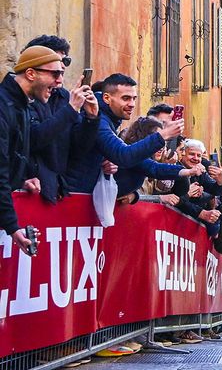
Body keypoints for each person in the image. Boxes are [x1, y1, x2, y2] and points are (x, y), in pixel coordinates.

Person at [65, 73, 184, 193]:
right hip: (74, 196)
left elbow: (144, 165)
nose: (132, 104)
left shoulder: (109, 119)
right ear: (107, 98)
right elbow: (124, 156)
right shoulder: (100, 120)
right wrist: (163, 135)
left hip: (82, 195)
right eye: (126, 98)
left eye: (134, 98)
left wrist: (184, 171)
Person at [0, 46, 65, 251]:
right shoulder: (5, 106)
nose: (60, 81)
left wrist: (21, 178)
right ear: (30, 73)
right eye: (55, 73)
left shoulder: (21, 106)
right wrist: (12, 226)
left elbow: (14, 155)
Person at [24, 35, 100, 203]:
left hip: (57, 190)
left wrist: (91, 118)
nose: (59, 79)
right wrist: (71, 109)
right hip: (29, 189)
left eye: (61, 72)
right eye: (54, 72)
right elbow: (34, 138)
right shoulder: (23, 99)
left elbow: (78, 148)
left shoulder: (64, 97)